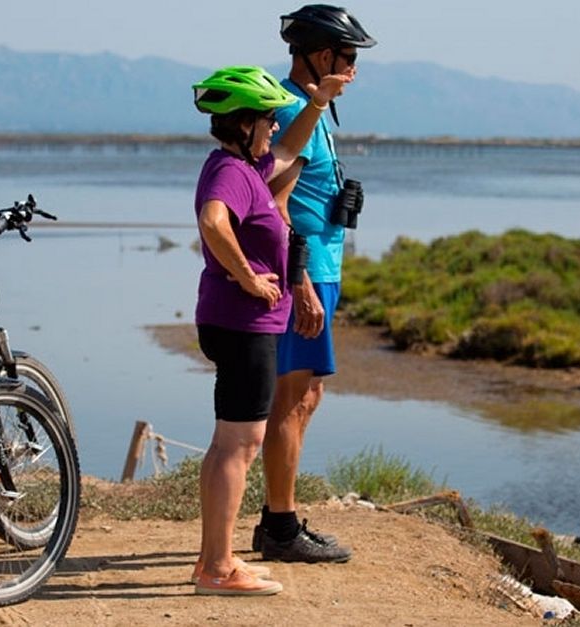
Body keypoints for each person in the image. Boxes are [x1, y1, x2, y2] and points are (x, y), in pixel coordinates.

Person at [190, 65, 352, 595]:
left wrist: (318, 104)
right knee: (239, 444)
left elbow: (288, 150)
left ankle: (216, 559)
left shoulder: (248, 166)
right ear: (244, 124)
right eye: (266, 120)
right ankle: (217, 567)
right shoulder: (231, 174)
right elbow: (214, 221)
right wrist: (248, 276)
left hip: (238, 322)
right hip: (242, 322)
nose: (273, 128)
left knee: (229, 444)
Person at [253, 4, 377, 564]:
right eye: (349, 57)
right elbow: (274, 200)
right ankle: (280, 528)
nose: (354, 69)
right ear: (322, 55)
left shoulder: (314, 110)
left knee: (306, 394)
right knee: (291, 396)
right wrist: (298, 277)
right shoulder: (298, 107)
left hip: (322, 268)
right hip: (307, 273)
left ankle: (279, 517)